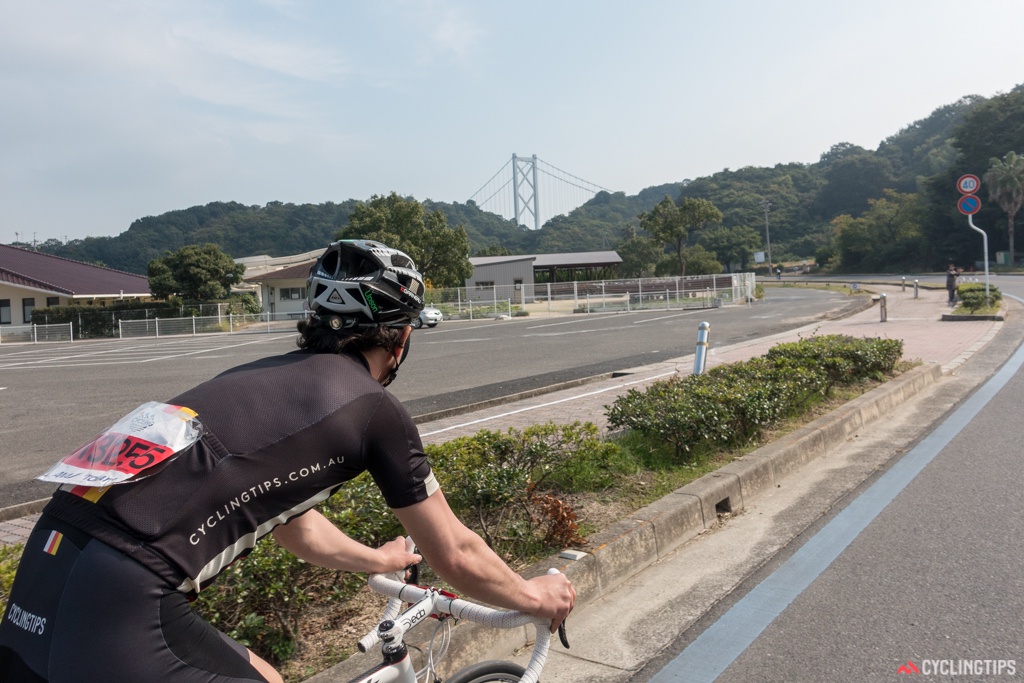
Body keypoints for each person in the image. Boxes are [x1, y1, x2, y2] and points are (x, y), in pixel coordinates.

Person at [0, 239, 575, 682]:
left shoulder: (254, 380)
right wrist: (535, 596)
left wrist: (376, 556)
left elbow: (289, 522)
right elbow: (456, 551)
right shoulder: (374, 408)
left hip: (43, 572)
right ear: (399, 338)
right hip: (121, 601)